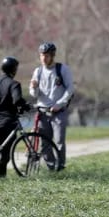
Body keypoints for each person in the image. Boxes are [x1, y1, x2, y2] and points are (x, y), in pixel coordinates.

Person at [30, 42, 74, 171]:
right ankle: (51, 166)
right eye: (42, 55)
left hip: (58, 111)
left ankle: (60, 166)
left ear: (52, 56)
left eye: (47, 55)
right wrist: (34, 88)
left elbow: (70, 88)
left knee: (59, 141)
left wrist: (59, 104)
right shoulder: (37, 71)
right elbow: (34, 94)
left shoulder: (62, 69)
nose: (44, 58)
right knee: (45, 143)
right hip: (42, 111)